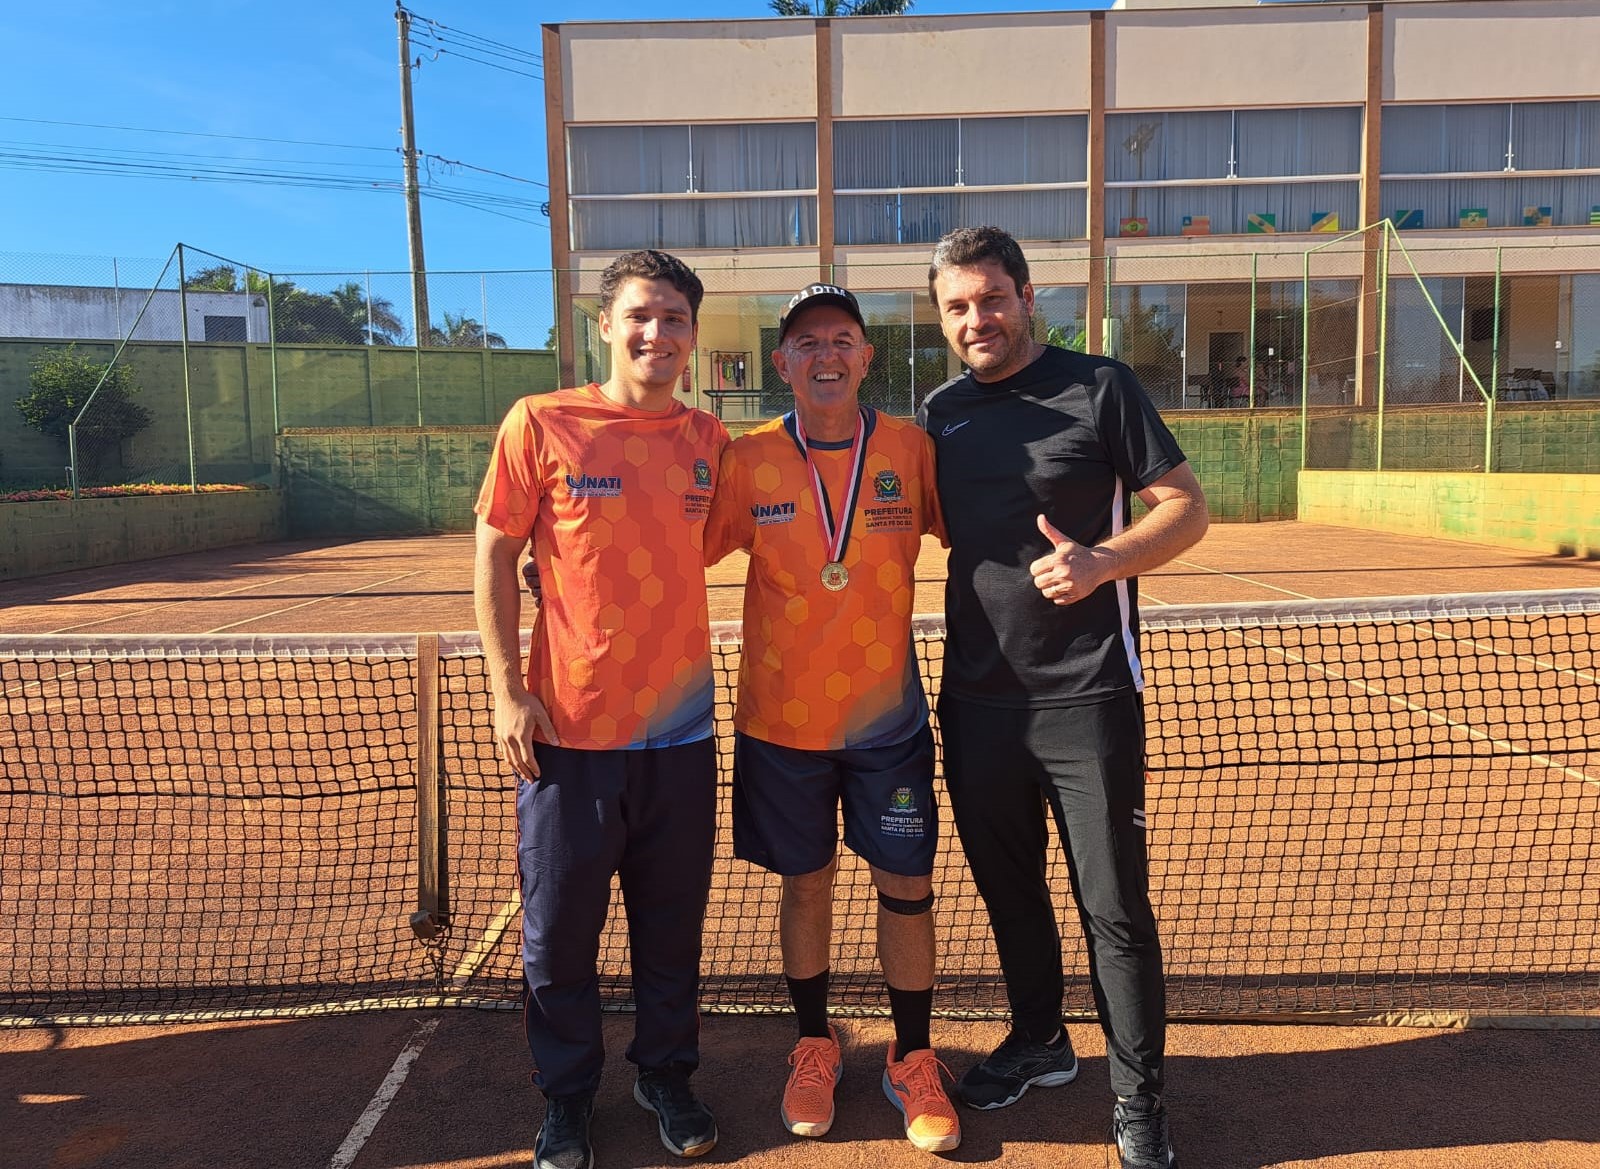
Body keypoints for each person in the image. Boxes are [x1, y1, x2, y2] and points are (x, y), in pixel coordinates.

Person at [918, 226, 1209, 1169]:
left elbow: (1186, 506)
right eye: (957, 306)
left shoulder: (1101, 386)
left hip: (1089, 697)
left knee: (1113, 905)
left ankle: (1138, 1097)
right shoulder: (941, 412)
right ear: (942, 318)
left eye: (991, 298)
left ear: (1027, 297)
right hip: (975, 702)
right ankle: (1041, 1039)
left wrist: (1101, 563)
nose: (977, 318)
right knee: (1009, 891)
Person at [474, 249, 729, 1169]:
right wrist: (508, 688)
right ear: (606, 325)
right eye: (640, 315)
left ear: (692, 334)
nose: (657, 332)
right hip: (567, 733)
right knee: (559, 935)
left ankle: (665, 1074)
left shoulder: (711, 440)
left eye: (674, 318)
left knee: (671, 926)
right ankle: (568, 1095)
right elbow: (495, 553)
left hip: (682, 735)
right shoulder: (541, 421)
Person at [703, 283, 960, 1153]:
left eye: (842, 338)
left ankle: (913, 1056)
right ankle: (814, 1044)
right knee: (805, 882)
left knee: (907, 887)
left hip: (888, 726)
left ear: (865, 356)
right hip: (782, 727)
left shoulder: (911, 450)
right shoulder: (748, 461)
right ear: (782, 362)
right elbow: (677, 544)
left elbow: (981, 533)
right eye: (807, 342)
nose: (826, 354)